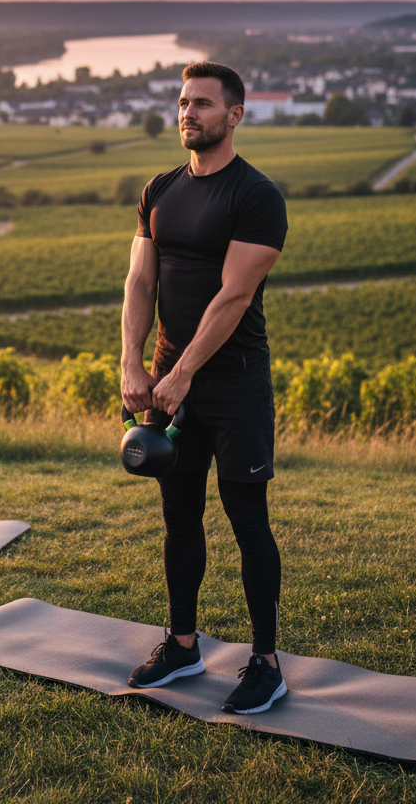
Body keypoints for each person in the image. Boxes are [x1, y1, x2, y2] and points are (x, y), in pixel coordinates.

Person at [120, 62, 289, 715]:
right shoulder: (160, 189)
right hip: (166, 383)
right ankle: (183, 645)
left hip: (234, 386)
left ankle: (267, 663)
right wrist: (134, 365)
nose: (188, 113)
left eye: (203, 104)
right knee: (179, 518)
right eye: (183, 102)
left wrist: (183, 372)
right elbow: (141, 282)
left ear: (235, 115)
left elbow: (234, 294)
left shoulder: (256, 196)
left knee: (248, 520)